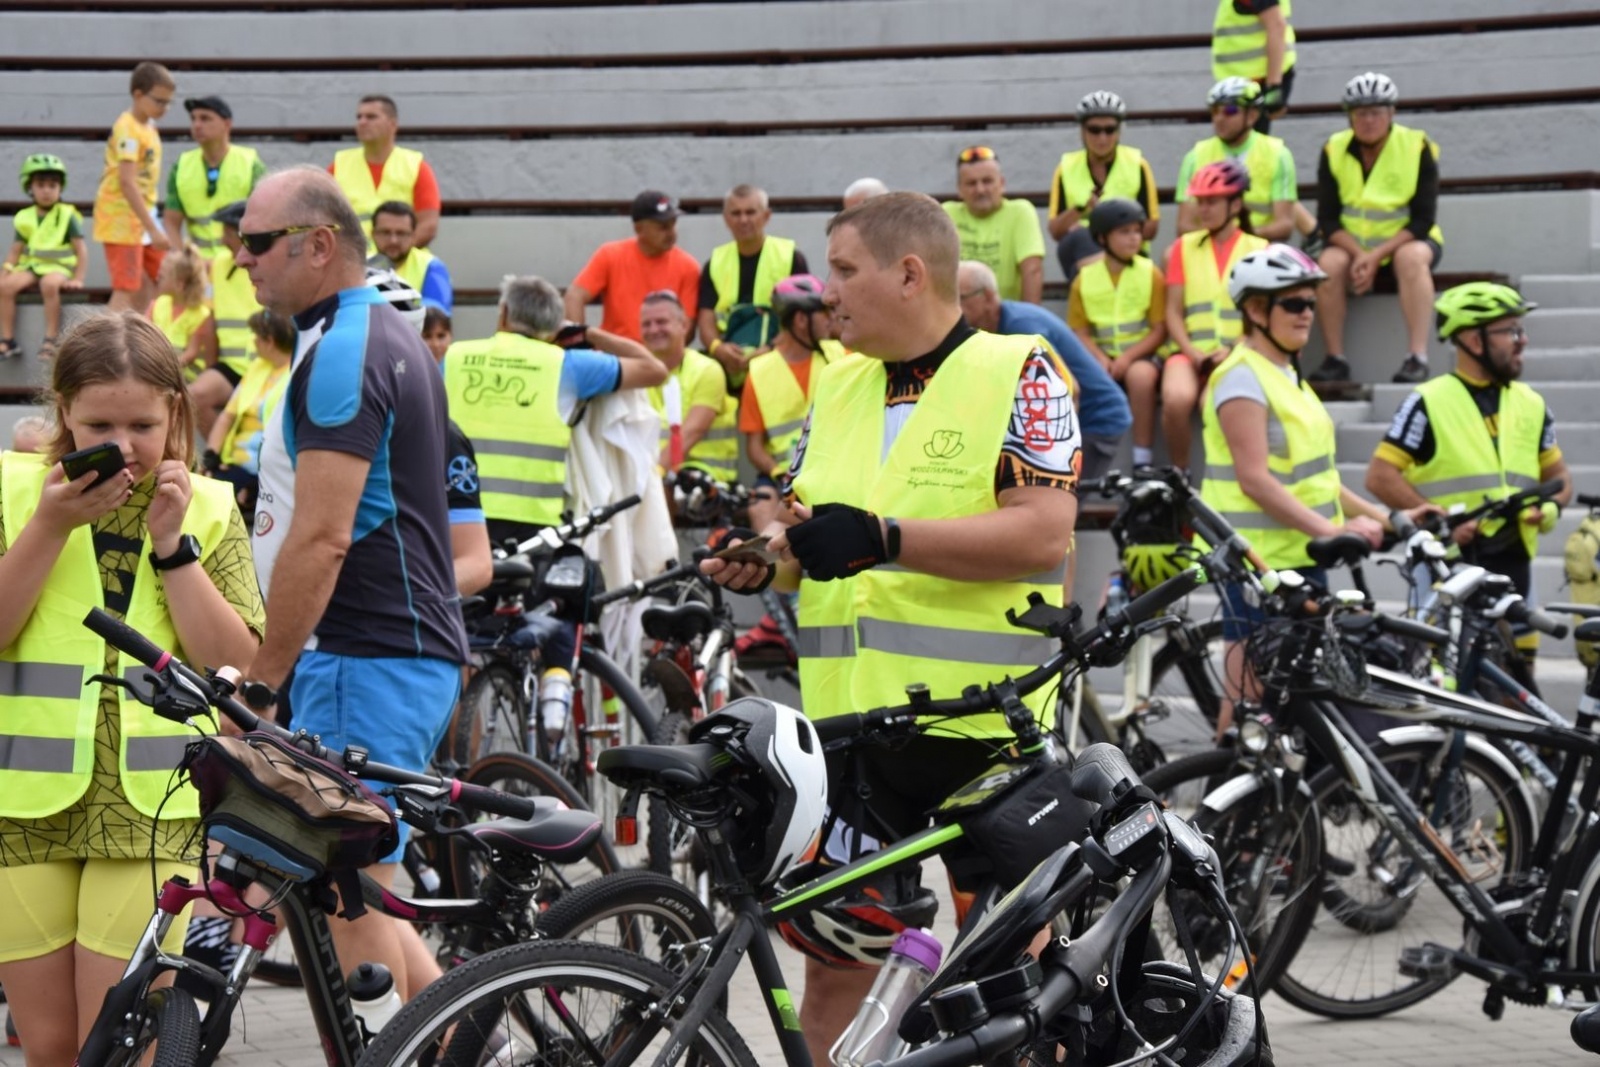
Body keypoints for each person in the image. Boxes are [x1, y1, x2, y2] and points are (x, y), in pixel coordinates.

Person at [702, 192, 1079, 1063]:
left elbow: (1042, 533)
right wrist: (767, 557)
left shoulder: (1022, 369)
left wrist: (885, 537)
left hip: (982, 728)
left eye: (843, 270)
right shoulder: (838, 381)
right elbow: (811, 533)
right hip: (851, 733)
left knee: (1018, 980)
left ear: (909, 274)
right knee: (837, 970)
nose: (826, 292)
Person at [0, 312, 261, 1067]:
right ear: (63, 412)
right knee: (51, 1048)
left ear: (175, 411)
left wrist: (173, 548)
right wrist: (49, 525)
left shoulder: (210, 504)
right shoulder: (14, 491)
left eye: (143, 424)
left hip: (152, 806)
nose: (123, 444)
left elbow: (233, 664)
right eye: (99, 425)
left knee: (116, 1046)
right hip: (21, 800)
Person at [237, 166, 467, 1007]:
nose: (241, 258)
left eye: (258, 241)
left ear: (319, 245)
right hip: (396, 652)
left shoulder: (343, 349)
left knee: (346, 896)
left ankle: (404, 1048)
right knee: (363, 881)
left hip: (366, 652)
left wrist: (262, 682)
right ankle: (472, 1042)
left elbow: (324, 534)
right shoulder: (377, 332)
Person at [1200, 244, 1425, 734]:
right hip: (1255, 562)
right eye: (1293, 303)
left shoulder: (1288, 375)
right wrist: (1333, 531)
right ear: (1255, 310)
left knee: (1292, 694)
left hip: (1302, 555)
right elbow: (1254, 480)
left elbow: (1321, 479)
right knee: (1249, 698)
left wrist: (1393, 519)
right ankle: (1224, 779)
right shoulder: (1240, 379)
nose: (1307, 313)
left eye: (1310, 302)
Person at [1365, 282, 1570, 676]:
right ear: (1474, 340)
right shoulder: (1428, 401)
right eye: (1511, 331)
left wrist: (1549, 508)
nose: (1522, 341)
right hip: (1448, 569)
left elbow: (1560, 478)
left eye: (1521, 330)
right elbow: (1380, 476)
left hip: (1515, 566)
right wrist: (1437, 520)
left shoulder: (1531, 402)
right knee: (1446, 686)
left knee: (1518, 685)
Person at [442, 274, 666, 548]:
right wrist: (587, 333)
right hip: (534, 522)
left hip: (458, 511)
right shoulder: (567, 365)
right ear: (553, 324)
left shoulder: (454, 357)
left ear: (504, 312)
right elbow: (655, 369)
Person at [1306, 73, 1443, 386]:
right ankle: (1335, 358)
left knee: (1410, 259)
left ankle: (1417, 356)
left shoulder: (1416, 146)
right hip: (1352, 245)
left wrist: (1375, 255)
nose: (1368, 120)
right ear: (1349, 117)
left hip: (1407, 241)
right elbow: (1328, 219)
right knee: (1328, 263)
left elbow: (1423, 219)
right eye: (1360, 113)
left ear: (1391, 113)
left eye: (1376, 112)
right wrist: (1359, 254)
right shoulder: (1333, 149)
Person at [959, 259, 1130, 482]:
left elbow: (1069, 389)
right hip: (1082, 417)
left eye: (961, 298)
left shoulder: (1022, 328)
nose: (954, 306)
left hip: (1097, 419)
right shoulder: (995, 328)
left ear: (988, 296)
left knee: (1061, 497)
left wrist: (1055, 457)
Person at [1163, 159, 1268, 474]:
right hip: (1189, 353)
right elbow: (1173, 312)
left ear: (1235, 205)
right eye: (1200, 201)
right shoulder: (1182, 248)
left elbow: (1263, 315)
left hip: (1239, 352)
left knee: (1211, 401)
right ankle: (1181, 475)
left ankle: (1225, 476)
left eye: (1212, 202)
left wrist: (1234, 349)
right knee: (1176, 398)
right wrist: (1192, 352)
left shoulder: (1259, 249)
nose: (1203, 209)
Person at [1067, 198, 1169, 469]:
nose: (1134, 238)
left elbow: (1159, 329)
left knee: (1140, 378)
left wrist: (1127, 358)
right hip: (1100, 358)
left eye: (1137, 231)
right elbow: (1080, 331)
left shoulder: (1151, 273)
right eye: (1124, 232)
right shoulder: (1083, 279)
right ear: (1102, 238)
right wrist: (1100, 358)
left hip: (1140, 357)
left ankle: (1142, 460)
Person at [1047, 91, 1160, 284]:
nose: (1102, 138)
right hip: (1081, 248)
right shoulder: (1065, 168)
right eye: (1094, 130)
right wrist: (1081, 209)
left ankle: (1096, 281)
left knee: (1088, 237)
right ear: (1082, 131)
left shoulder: (1137, 164)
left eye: (1110, 130)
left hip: (1129, 252)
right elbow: (1056, 231)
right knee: (1081, 237)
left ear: (1119, 132)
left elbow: (1151, 227)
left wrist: (1111, 231)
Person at [696, 184, 808, 376]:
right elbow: (705, 319)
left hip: (781, 360)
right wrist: (718, 349)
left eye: (750, 212)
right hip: (729, 364)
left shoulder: (790, 257)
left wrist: (772, 348)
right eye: (736, 213)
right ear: (726, 219)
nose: (743, 220)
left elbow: (803, 315)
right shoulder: (715, 263)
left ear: (766, 216)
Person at [564, 190, 701, 344]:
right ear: (639, 229)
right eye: (663, 227)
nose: (671, 233)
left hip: (661, 354)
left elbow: (686, 327)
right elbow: (574, 296)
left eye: (673, 224)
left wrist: (660, 354)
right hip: (614, 352)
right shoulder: (610, 255)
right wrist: (579, 346)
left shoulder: (688, 267)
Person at [94, 62, 175, 314]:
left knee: (159, 279)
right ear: (138, 95)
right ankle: (103, 339)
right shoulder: (127, 129)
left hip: (142, 217)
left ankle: (140, 332)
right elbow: (127, 183)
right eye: (159, 101)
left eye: (168, 103)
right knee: (126, 288)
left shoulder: (149, 126)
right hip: (121, 219)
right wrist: (153, 228)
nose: (164, 108)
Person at [1175, 78, 1297, 242]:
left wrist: (1241, 240)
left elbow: (1284, 225)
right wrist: (1223, 239)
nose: (1219, 118)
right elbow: (1184, 225)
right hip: (1209, 245)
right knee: (1169, 253)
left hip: (1259, 247)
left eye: (1230, 110)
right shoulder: (1195, 156)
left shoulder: (1278, 154)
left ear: (1252, 115)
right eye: (1215, 111)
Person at [203, 308, 294, 520]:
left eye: (257, 336)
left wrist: (261, 481)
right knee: (202, 487)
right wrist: (211, 456)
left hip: (269, 469)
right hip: (237, 462)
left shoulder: (295, 374)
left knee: (213, 501)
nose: (253, 341)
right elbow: (227, 416)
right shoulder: (257, 367)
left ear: (270, 341)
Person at [640, 290, 739, 485]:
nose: (653, 330)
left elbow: (690, 433)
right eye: (646, 324)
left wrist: (651, 478)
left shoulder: (707, 370)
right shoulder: (638, 374)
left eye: (661, 322)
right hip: (657, 476)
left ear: (684, 325)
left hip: (705, 480)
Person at [1, 155, 86, 360]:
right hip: (32, 267)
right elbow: (16, 250)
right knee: (4, 286)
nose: (47, 191)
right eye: (40, 185)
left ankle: (51, 338)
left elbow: (81, 250)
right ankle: (8, 340)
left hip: (59, 268)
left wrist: (78, 278)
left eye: (52, 185)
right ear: (30, 188)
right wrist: (6, 269)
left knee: (49, 284)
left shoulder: (67, 215)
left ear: (60, 188)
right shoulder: (25, 216)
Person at [329, 94, 440, 251]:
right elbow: (322, 220)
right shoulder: (338, 166)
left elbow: (428, 225)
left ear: (392, 125)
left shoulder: (416, 166)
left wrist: (394, 254)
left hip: (402, 260)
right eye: (359, 117)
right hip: (353, 260)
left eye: (371, 117)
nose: (362, 122)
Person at [160, 96, 265, 259]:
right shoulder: (181, 166)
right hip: (198, 265)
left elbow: (262, 220)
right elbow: (171, 221)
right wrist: (183, 260)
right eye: (193, 119)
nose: (197, 125)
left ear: (227, 124)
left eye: (205, 118)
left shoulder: (251, 164)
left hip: (237, 263)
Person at [941, 146, 1045, 303]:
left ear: (1002, 184)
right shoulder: (946, 214)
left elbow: (1032, 270)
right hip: (957, 313)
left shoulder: (1020, 212)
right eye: (971, 183)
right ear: (959, 189)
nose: (980, 190)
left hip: (1005, 313)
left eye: (987, 181)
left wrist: (1027, 316)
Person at [1212, 0, 1296, 134]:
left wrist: (1273, 88)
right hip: (1250, 84)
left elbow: (1276, 26)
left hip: (1255, 85)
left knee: (1246, 142)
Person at [148, 243, 216, 388]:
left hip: (186, 378)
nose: (157, 278)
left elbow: (191, 354)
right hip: (160, 373)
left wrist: (160, 372)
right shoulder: (158, 304)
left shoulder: (201, 314)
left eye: (162, 277)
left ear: (179, 284)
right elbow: (142, 334)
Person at [369, 200, 452, 313]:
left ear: (413, 236)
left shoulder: (431, 266)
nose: (393, 240)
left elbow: (437, 315)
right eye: (385, 232)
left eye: (401, 233)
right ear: (373, 234)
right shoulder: (358, 265)